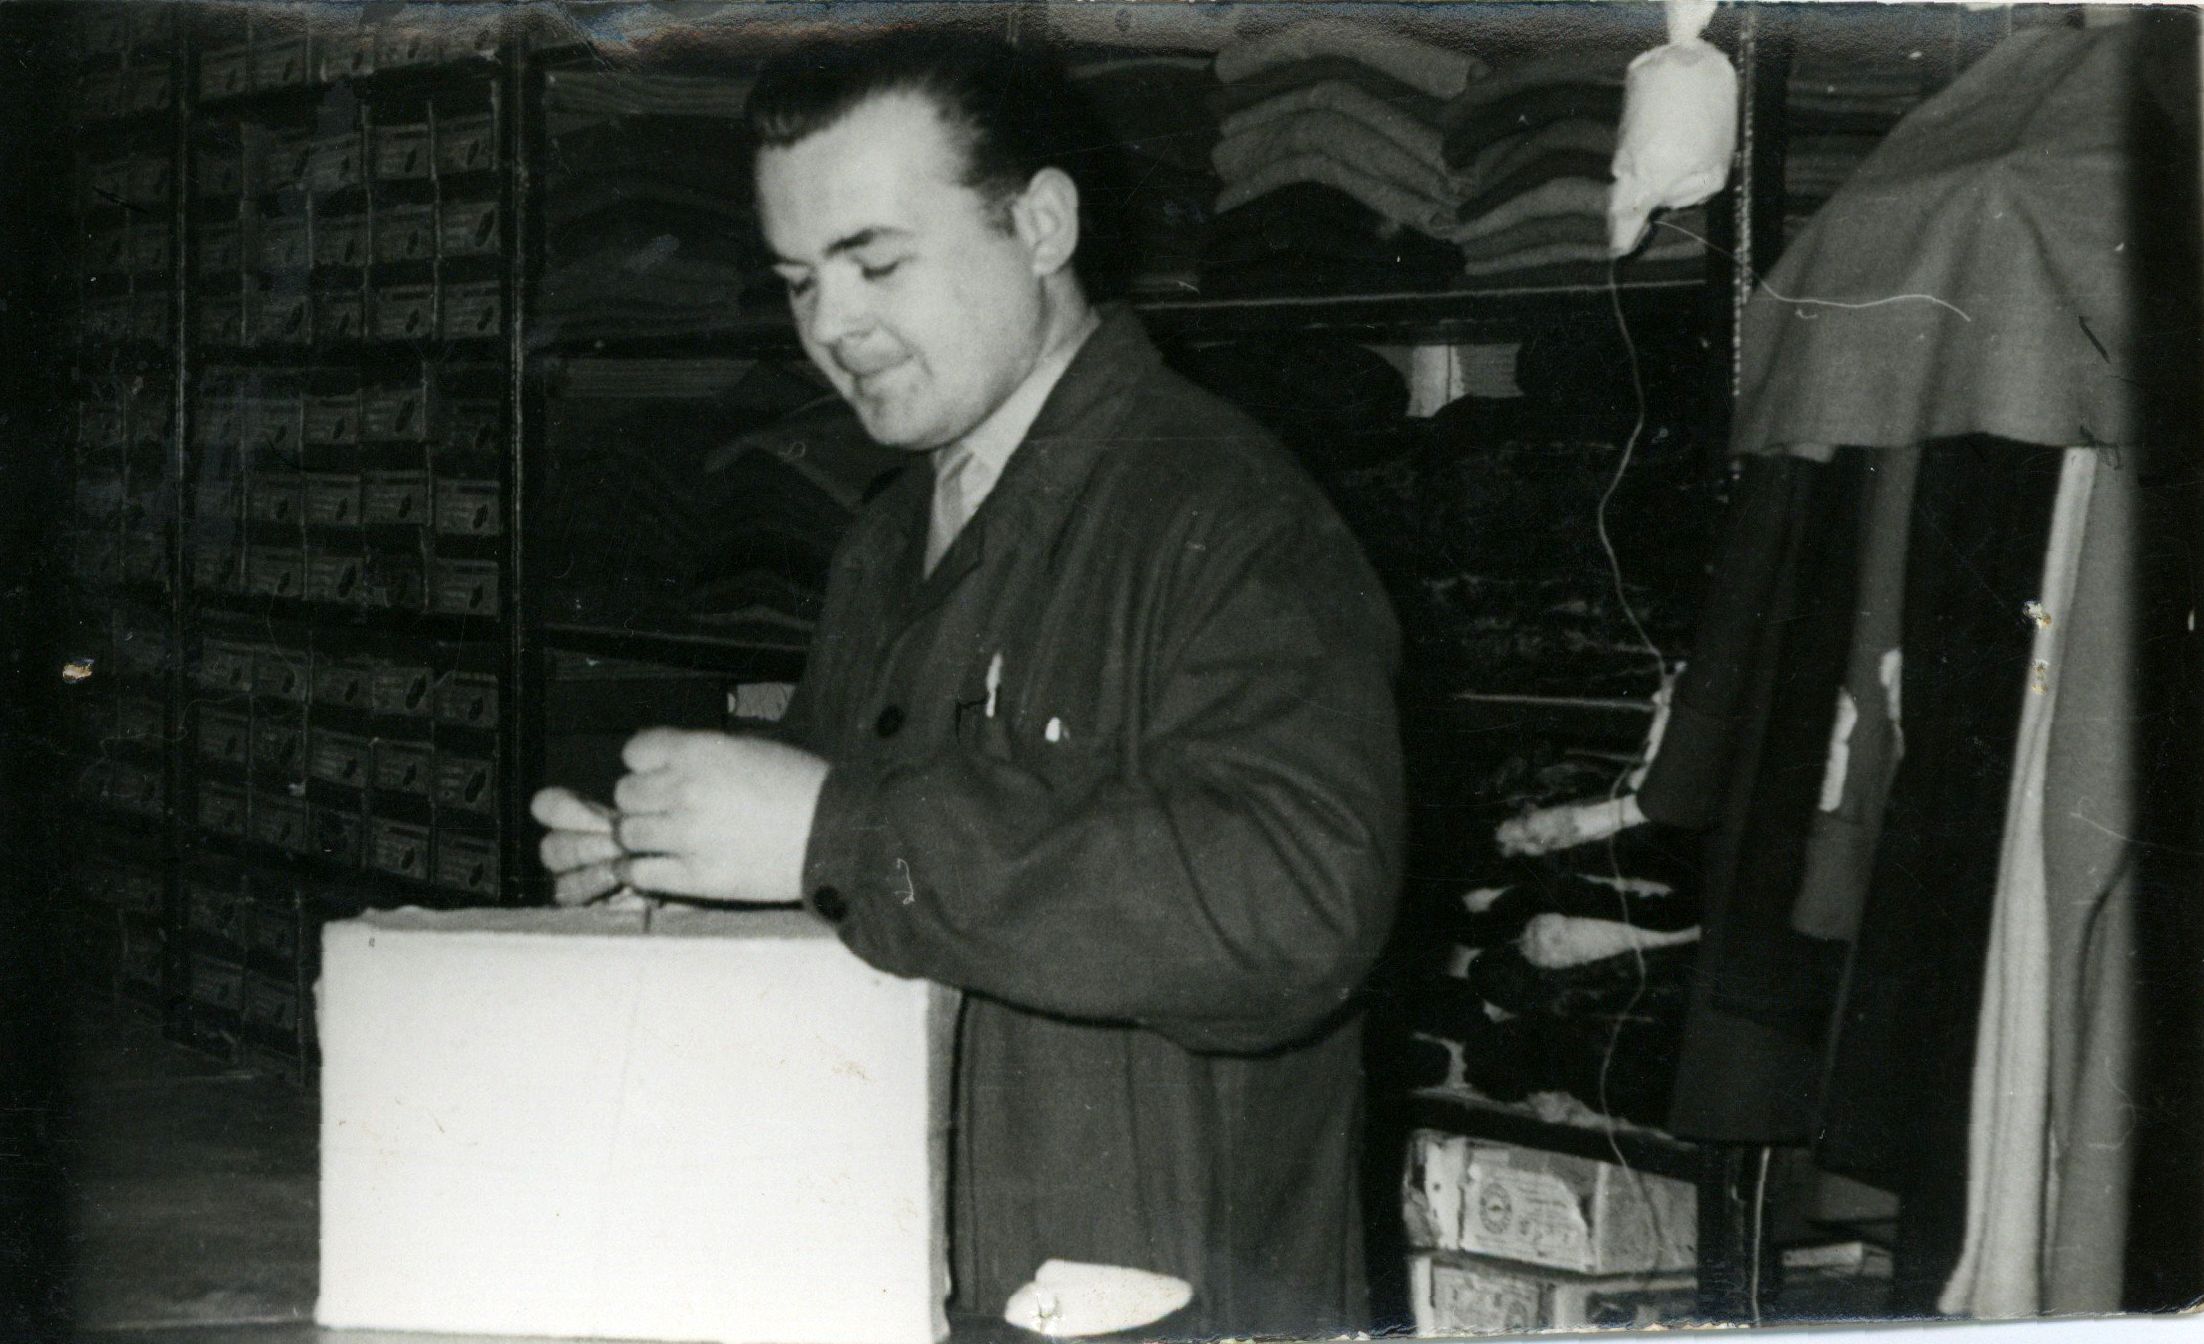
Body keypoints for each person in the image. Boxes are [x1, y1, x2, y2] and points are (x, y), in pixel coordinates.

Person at [532, 29, 1405, 1337]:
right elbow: (875, 895)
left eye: (877, 261)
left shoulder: (1223, 511)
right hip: (918, 1267)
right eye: (799, 280)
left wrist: (831, 835)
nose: (832, 326)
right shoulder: (894, 533)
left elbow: (1298, 905)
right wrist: (688, 875)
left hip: (1156, 1304)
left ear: (1041, 225)